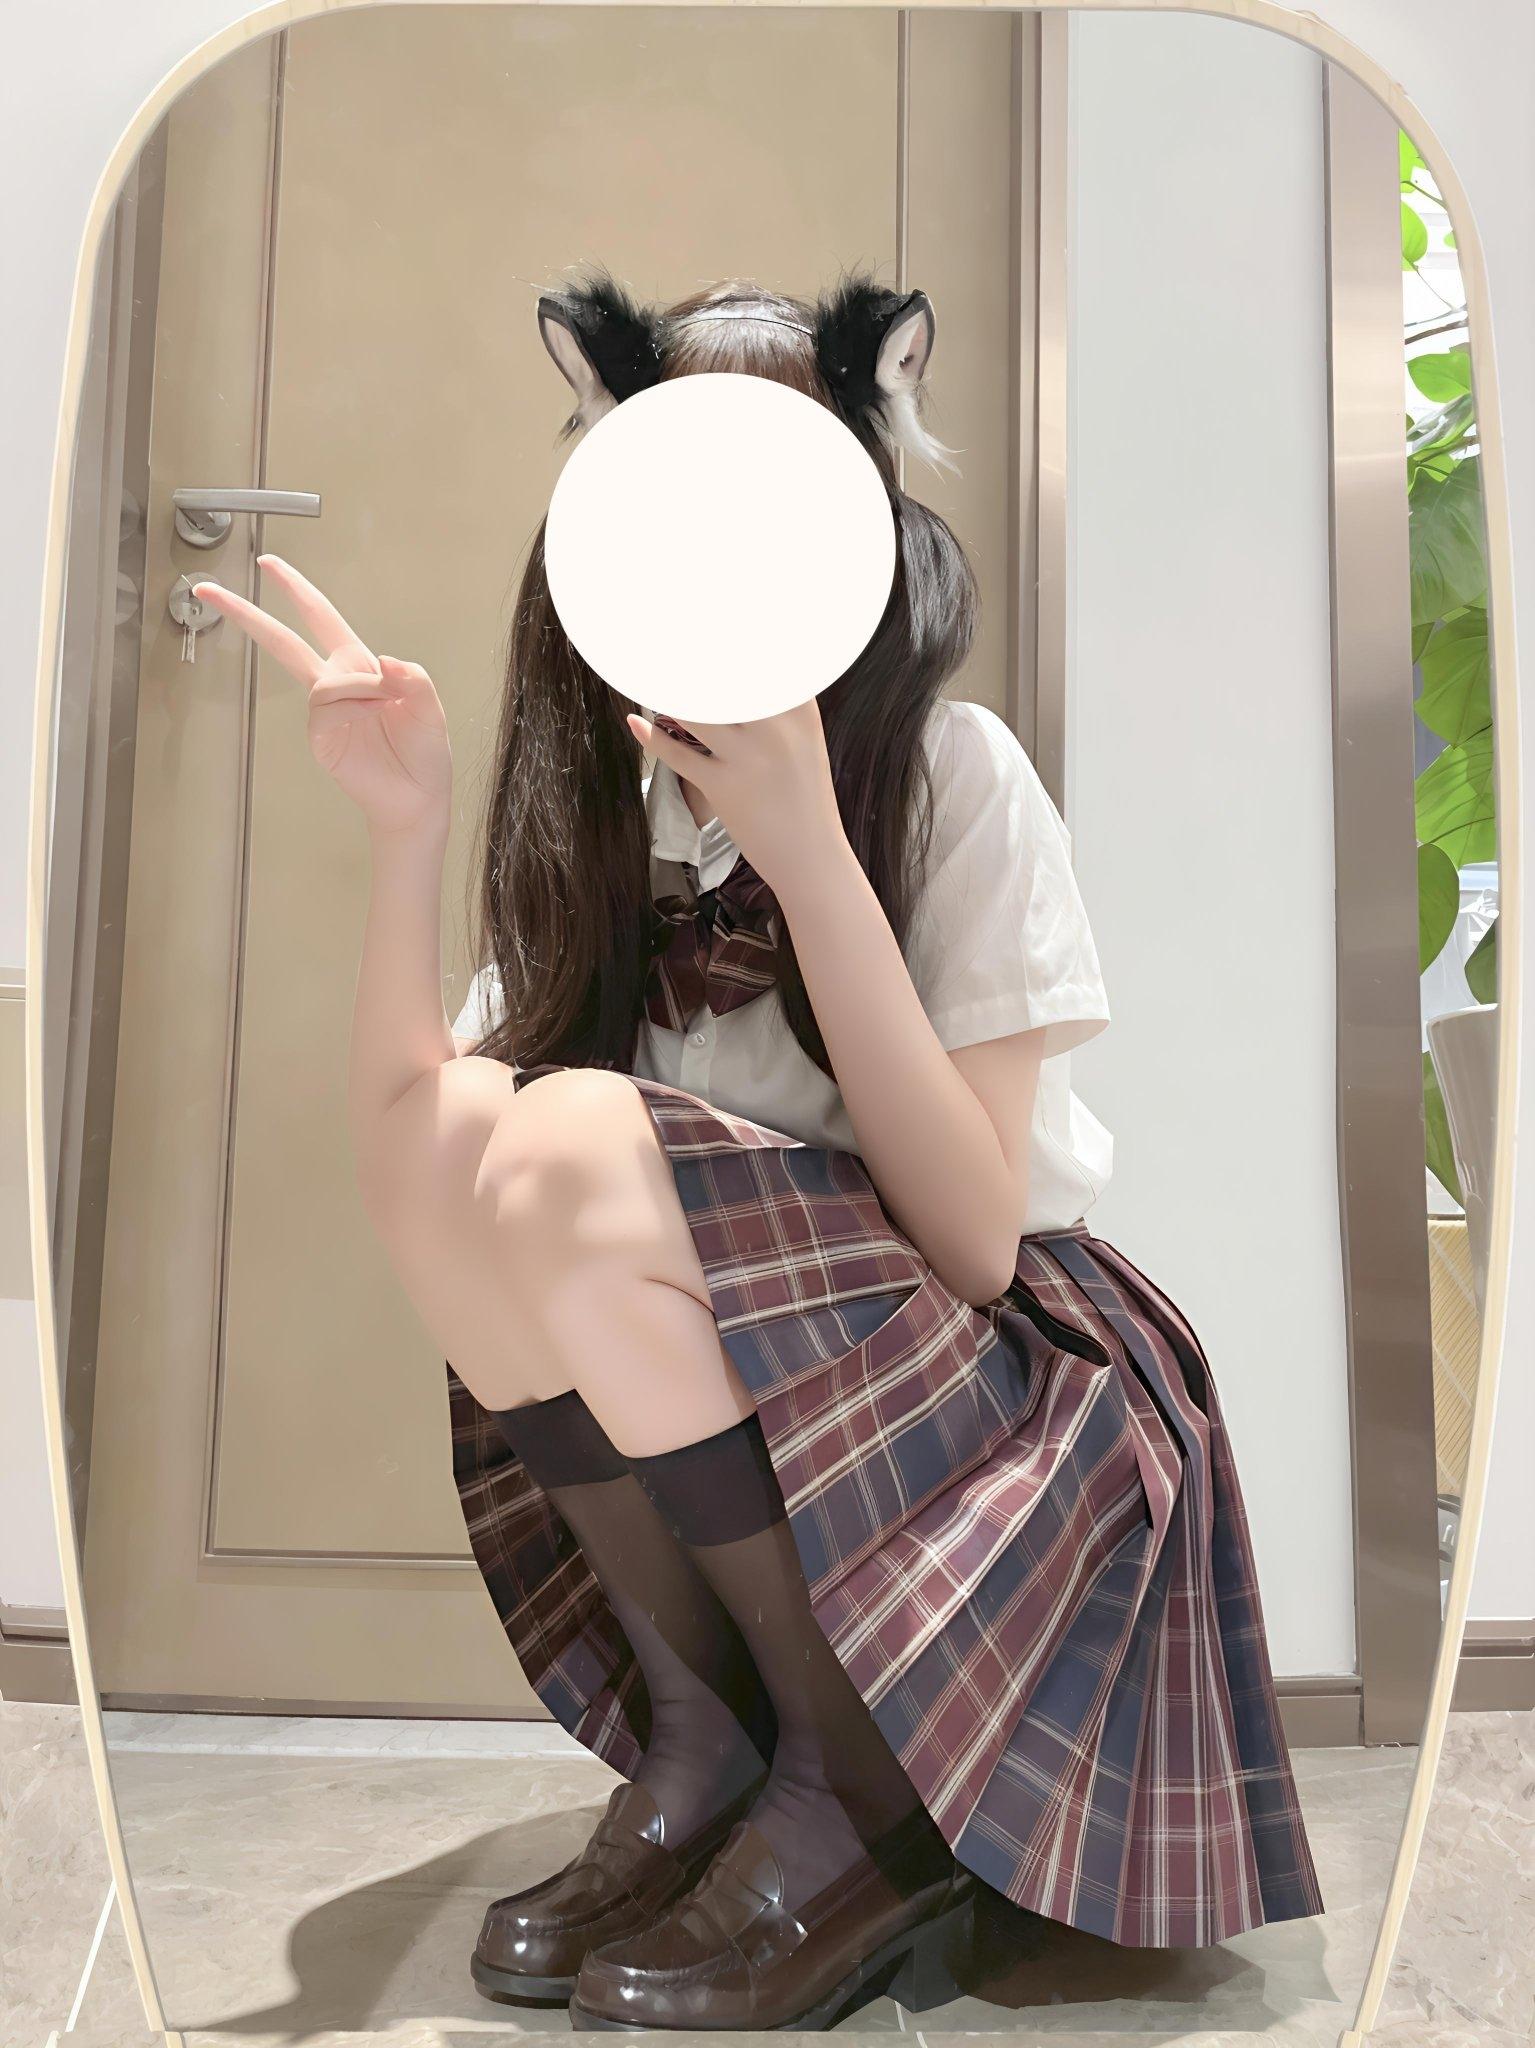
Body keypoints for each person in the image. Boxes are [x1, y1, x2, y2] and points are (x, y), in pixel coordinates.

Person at [195, 272, 1321, 2033]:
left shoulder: (952, 775)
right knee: (484, 1129)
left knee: (565, 1143)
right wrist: (408, 831)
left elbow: (974, 1242)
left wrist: (809, 855)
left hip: (998, 1399)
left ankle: (858, 1778)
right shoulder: (612, 806)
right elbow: (418, 1163)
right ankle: (714, 1737)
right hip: (781, 1382)